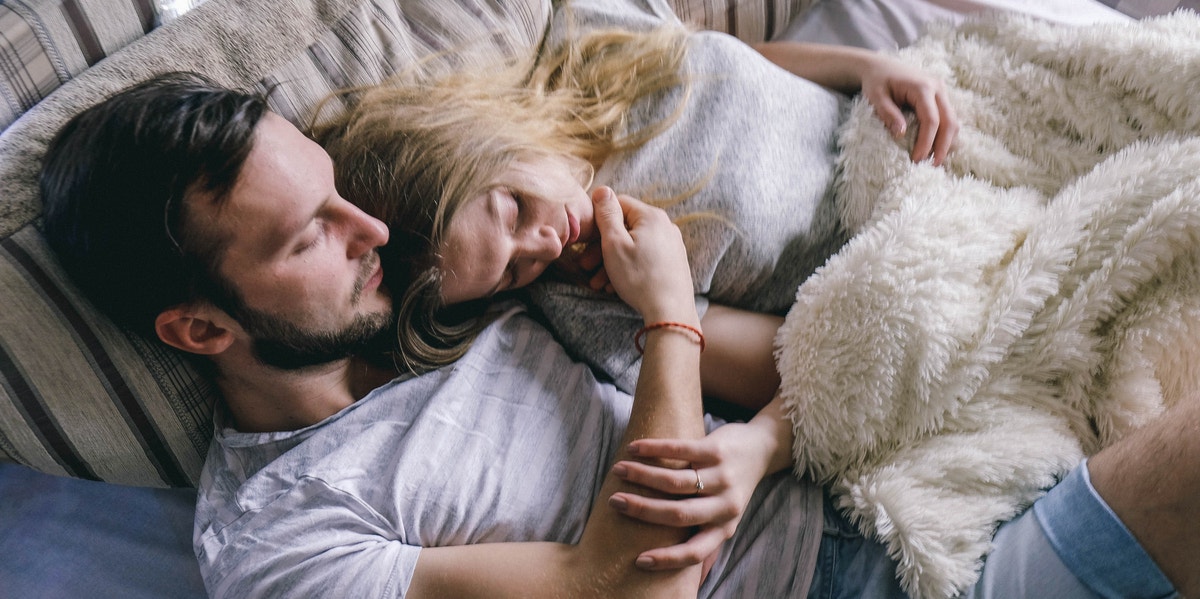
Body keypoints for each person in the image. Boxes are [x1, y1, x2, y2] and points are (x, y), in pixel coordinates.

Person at [40, 69, 1190, 597]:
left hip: (911, 489)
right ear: (197, 325)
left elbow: (811, 356)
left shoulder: (441, 304)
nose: (367, 225)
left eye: (338, 188)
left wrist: (761, 438)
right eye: (308, 236)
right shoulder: (285, 545)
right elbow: (614, 591)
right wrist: (666, 321)